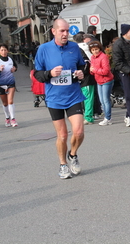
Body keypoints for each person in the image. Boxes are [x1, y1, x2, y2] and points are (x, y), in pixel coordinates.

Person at [34, 18, 85, 179]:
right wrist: (50, 73)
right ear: (53, 31)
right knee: (62, 135)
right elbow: (37, 74)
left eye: (67, 31)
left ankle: (73, 154)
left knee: (78, 131)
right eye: (62, 31)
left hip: (73, 95)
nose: (65, 34)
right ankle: (63, 165)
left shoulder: (74, 47)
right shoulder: (44, 49)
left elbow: (82, 66)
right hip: (54, 98)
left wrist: (81, 73)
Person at [0, 44, 19, 127]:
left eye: (5, 50)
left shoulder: (10, 59)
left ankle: (13, 119)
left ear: (7, 51)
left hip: (11, 82)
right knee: (5, 103)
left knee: (10, 101)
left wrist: (14, 69)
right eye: (2, 50)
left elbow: (16, 66)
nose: (4, 52)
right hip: (1, 84)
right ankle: (7, 118)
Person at [73, 32, 97, 125]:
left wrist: (82, 72)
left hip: (86, 77)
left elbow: (86, 63)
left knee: (87, 98)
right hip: (83, 77)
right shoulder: (84, 48)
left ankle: (88, 117)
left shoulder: (80, 50)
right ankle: (87, 115)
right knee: (86, 97)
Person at [89, 40, 114, 126]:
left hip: (107, 80)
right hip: (99, 80)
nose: (95, 51)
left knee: (106, 100)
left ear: (99, 49)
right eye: (93, 50)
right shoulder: (92, 57)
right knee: (101, 100)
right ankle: (106, 116)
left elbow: (106, 71)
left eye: (96, 49)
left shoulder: (103, 57)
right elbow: (92, 69)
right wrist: (92, 71)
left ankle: (108, 118)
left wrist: (94, 70)